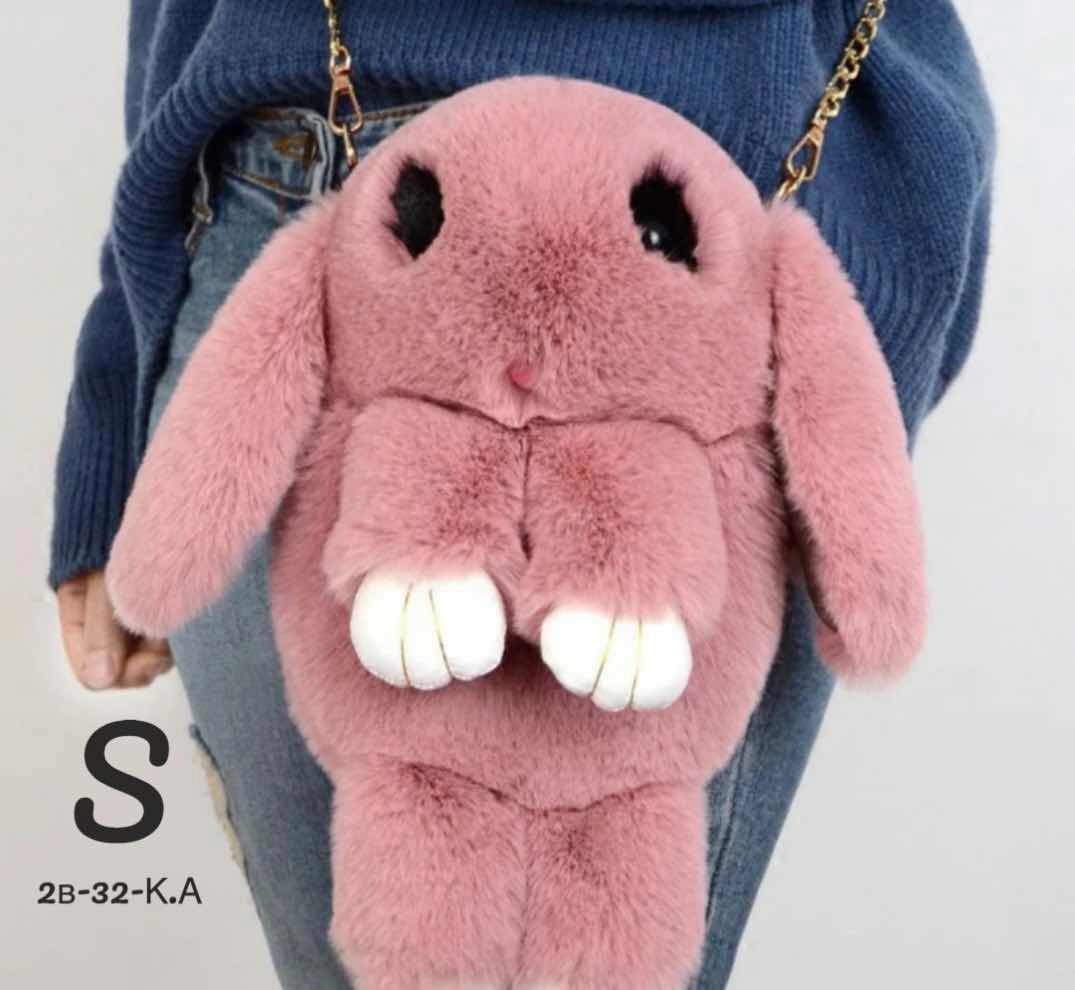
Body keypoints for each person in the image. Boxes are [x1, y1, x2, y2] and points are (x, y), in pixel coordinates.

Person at [51, 2, 994, 987]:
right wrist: (116, 402)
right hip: (348, 206)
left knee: (618, 874)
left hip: (693, 233)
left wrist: (860, 263)